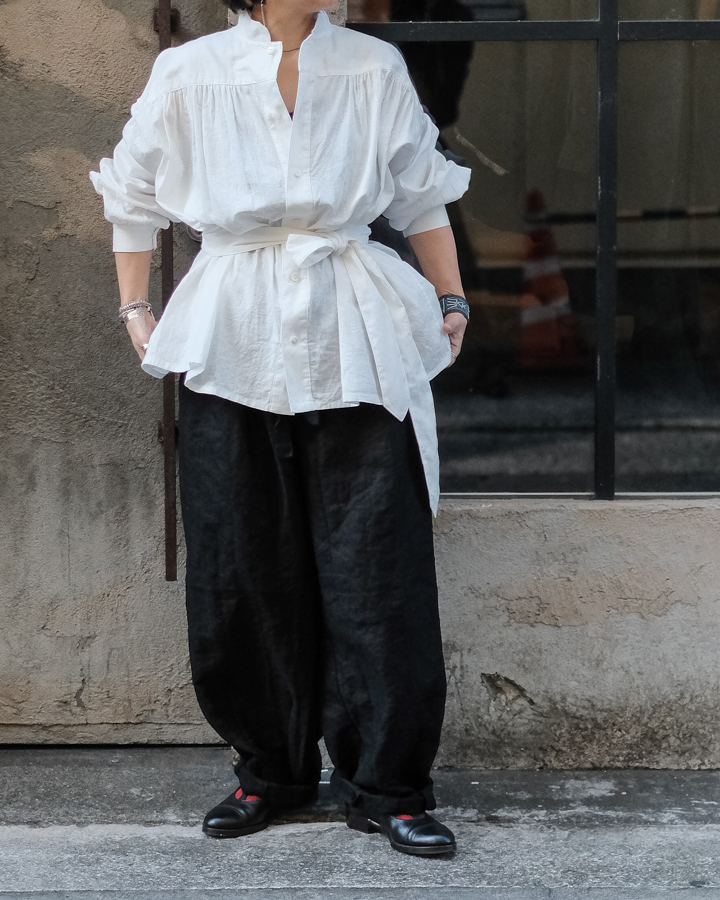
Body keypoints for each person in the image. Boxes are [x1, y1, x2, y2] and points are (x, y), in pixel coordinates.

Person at [90, 0, 471, 857]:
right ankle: (269, 772)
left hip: (356, 328)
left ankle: (389, 786)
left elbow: (421, 195)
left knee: (380, 564)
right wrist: (135, 307)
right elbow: (133, 195)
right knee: (240, 561)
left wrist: (451, 296)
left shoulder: (371, 65)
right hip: (233, 334)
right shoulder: (188, 72)